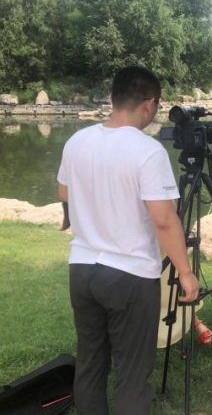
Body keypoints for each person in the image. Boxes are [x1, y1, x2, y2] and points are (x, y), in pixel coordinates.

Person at [57, 66, 199, 415]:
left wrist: (81, 218)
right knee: (132, 374)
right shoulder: (148, 150)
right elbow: (164, 220)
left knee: (90, 362)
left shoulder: (77, 141)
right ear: (150, 104)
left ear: (111, 98)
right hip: (129, 274)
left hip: (82, 269)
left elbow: (64, 193)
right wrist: (185, 272)